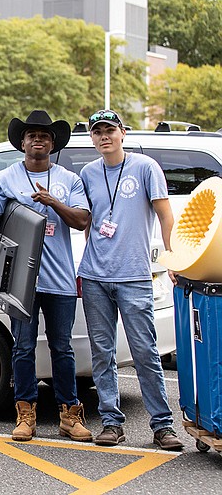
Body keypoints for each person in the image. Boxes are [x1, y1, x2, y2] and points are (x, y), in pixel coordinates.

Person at [0, 110, 92, 442]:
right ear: (22, 143)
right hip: (19, 285)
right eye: (31, 136)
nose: (37, 140)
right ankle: (25, 413)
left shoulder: (70, 180)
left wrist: (52, 201)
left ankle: (70, 414)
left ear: (52, 144)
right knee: (23, 348)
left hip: (60, 281)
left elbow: (82, 221)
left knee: (63, 349)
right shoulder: (5, 179)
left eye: (44, 136)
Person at [78, 109, 183, 450]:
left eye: (109, 130)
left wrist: (173, 259)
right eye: (97, 132)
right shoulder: (89, 172)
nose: (104, 136)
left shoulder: (144, 167)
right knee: (102, 353)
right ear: (92, 138)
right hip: (94, 276)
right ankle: (111, 422)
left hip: (134, 276)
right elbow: (90, 221)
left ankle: (162, 426)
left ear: (123, 132)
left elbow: (166, 215)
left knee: (145, 352)